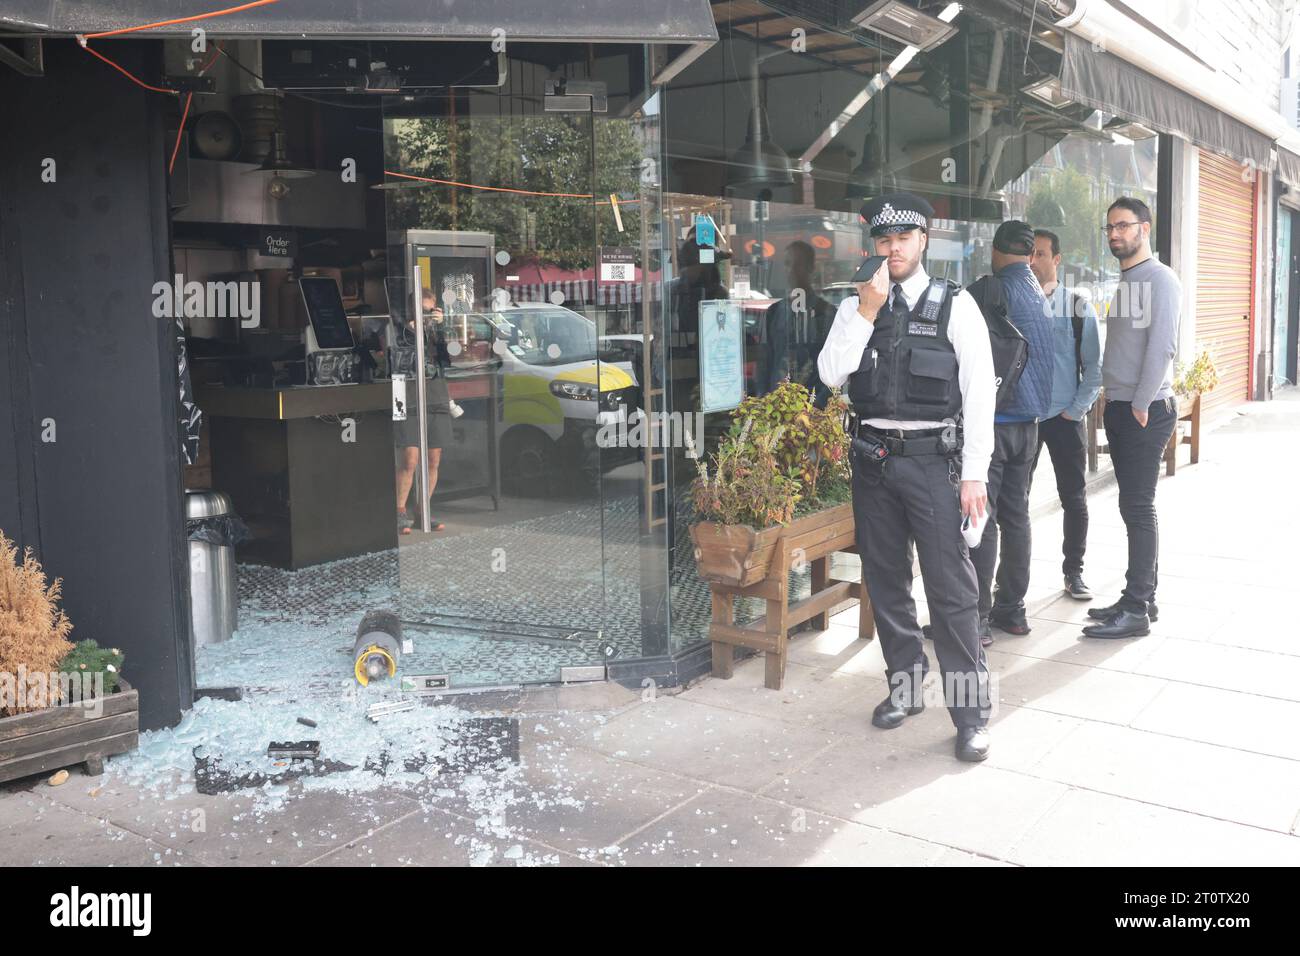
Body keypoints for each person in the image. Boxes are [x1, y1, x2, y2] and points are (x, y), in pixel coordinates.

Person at [818, 192, 996, 762]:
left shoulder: (956, 305)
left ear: (923, 240)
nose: (892, 249)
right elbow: (831, 375)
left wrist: (974, 475)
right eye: (884, 240)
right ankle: (906, 687)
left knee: (951, 592)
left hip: (933, 464)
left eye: (903, 238)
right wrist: (866, 312)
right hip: (873, 461)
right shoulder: (856, 307)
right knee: (886, 583)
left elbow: (979, 394)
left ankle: (970, 715)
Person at [1083, 197, 1179, 639]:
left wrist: (1139, 403)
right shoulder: (1127, 280)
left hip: (1146, 409)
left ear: (1145, 227)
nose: (1114, 234)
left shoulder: (1160, 278)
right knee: (1133, 506)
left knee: (1137, 507)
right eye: (1109, 228)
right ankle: (1142, 597)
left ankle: (1136, 608)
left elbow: (1163, 346)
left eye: (1122, 225)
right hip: (1124, 406)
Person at [965, 221, 1053, 642]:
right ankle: (1013, 610)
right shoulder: (1041, 296)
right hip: (1030, 426)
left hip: (994, 424)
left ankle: (977, 618)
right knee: (1017, 516)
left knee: (982, 518)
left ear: (995, 251)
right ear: (1032, 255)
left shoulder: (991, 290)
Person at [1030, 229, 1103, 600]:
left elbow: (1094, 368)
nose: (1033, 260)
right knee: (1012, 503)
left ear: (1056, 259)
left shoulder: (1077, 307)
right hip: (1025, 420)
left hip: (1064, 418)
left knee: (1074, 499)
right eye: (1029, 253)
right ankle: (1007, 581)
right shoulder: (1016, 305)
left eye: (1041, 254)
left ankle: (1074, 572)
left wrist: (1075, 412)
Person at [394, 288, 453, 534]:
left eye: (429, 311)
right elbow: (396, 360)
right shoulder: (399, 329)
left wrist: (440, 327)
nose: (426, 315)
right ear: (411, 309)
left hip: (435, 393)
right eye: (421, 310)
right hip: (405, 394)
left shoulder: (436, 330)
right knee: (410, 457)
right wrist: (411, 330)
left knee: (434, 457)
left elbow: (448, 360)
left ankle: (423, 509)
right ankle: (399, 511)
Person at [761, 240, 834, 405]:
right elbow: (765, 363)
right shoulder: (774, 313)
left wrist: (818, 407)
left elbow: (834, 367)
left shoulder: (826, 313)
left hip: (815, 406)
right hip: (776, 407)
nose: (792, 270)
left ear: (810, 268)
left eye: (798, 264)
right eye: (788, 264)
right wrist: (763, 402)